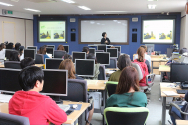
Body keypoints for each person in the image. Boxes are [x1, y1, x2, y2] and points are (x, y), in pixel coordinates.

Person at [59, 59, 94, 125]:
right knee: (91, 101)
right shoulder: (81, 81)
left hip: (61, 106)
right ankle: (87, 123)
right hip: (79, 107)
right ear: (73, 68)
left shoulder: (57, 81)